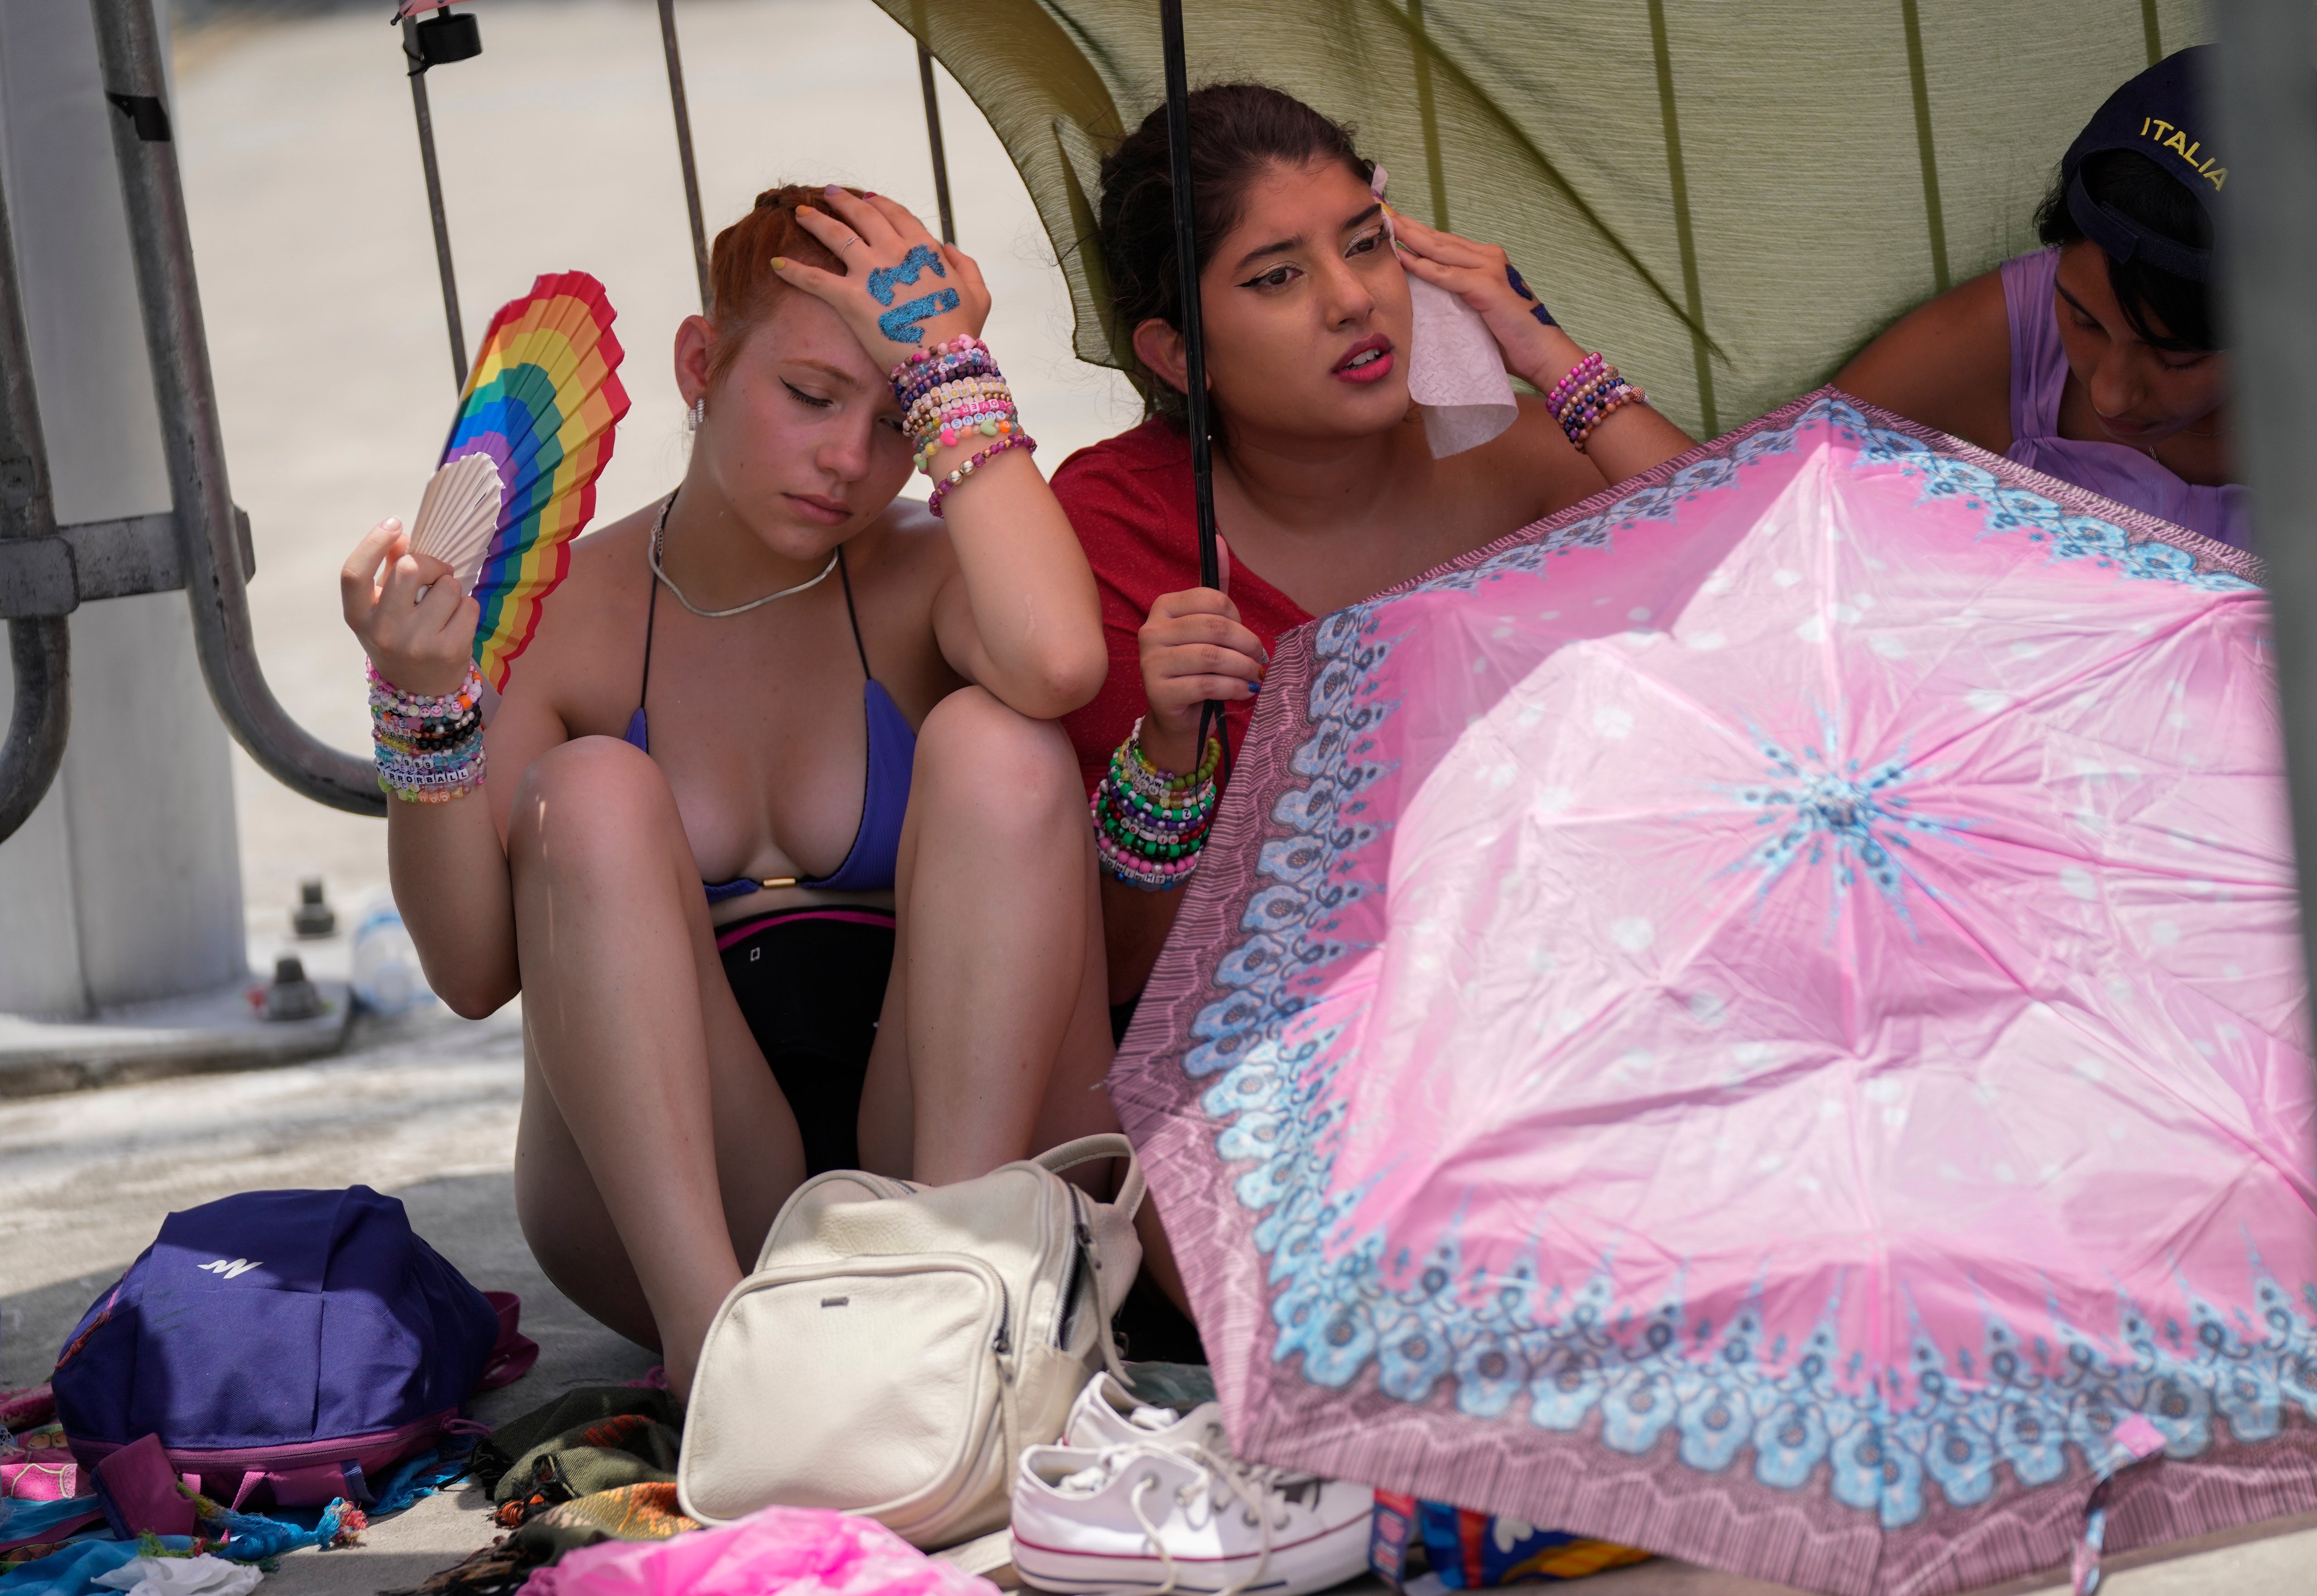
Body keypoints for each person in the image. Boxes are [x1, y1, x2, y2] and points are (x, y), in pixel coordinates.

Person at [339, 185, 1116, 1399]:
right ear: (702, 362)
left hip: (947, 1149)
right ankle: (713, 1349)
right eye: (808, 396)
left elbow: (1058, 660)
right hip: (682, 1202)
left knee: (1006, 740)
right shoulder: (565, 613)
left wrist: (951, 370)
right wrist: (421, 699)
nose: (848, 461)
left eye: (895, 414)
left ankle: (959, 1300)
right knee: (588, 787)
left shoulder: (927, 574)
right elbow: (471, 969)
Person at [1058, 83, 1697, 1013]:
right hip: (1300, 1054)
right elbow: (1119, 975)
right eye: (1277, 276)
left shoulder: (1524, 457)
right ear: (1178, 356)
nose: (1353, 300)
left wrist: (1547, 351)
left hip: (1583, 1000)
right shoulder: (1118, 525)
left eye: (1366, 243)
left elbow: (1771, 583)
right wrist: (1167, 756)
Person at [1837, 47, 2240, 547]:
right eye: (2083, 320)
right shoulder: (2015, 331)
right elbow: (1797, 474)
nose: (2109, 397)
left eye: (2175, 358)